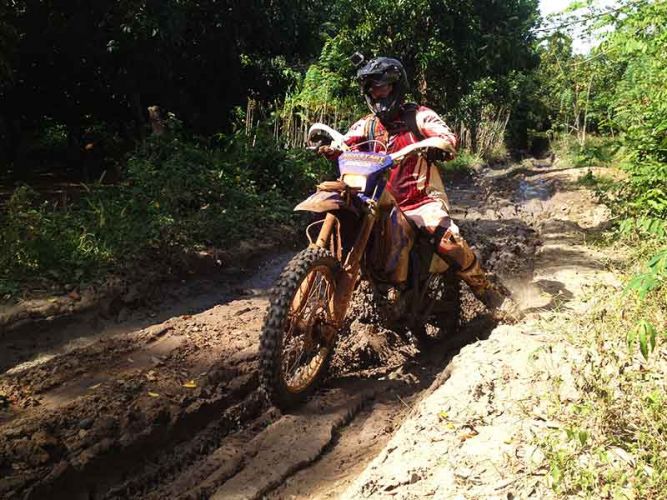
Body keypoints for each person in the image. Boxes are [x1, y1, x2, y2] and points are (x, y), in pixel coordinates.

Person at [318, 56, 518, 320]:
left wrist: (439, 146)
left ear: (396, 86)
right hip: (378, 201)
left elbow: (446, 137)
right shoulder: (367, 124)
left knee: (447, 239)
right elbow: (345, 142)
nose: (377, 93)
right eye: (372, 89)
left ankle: (489, 293)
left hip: (420, 200)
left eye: (382, 87)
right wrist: (331, 147)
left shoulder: (419, 116)